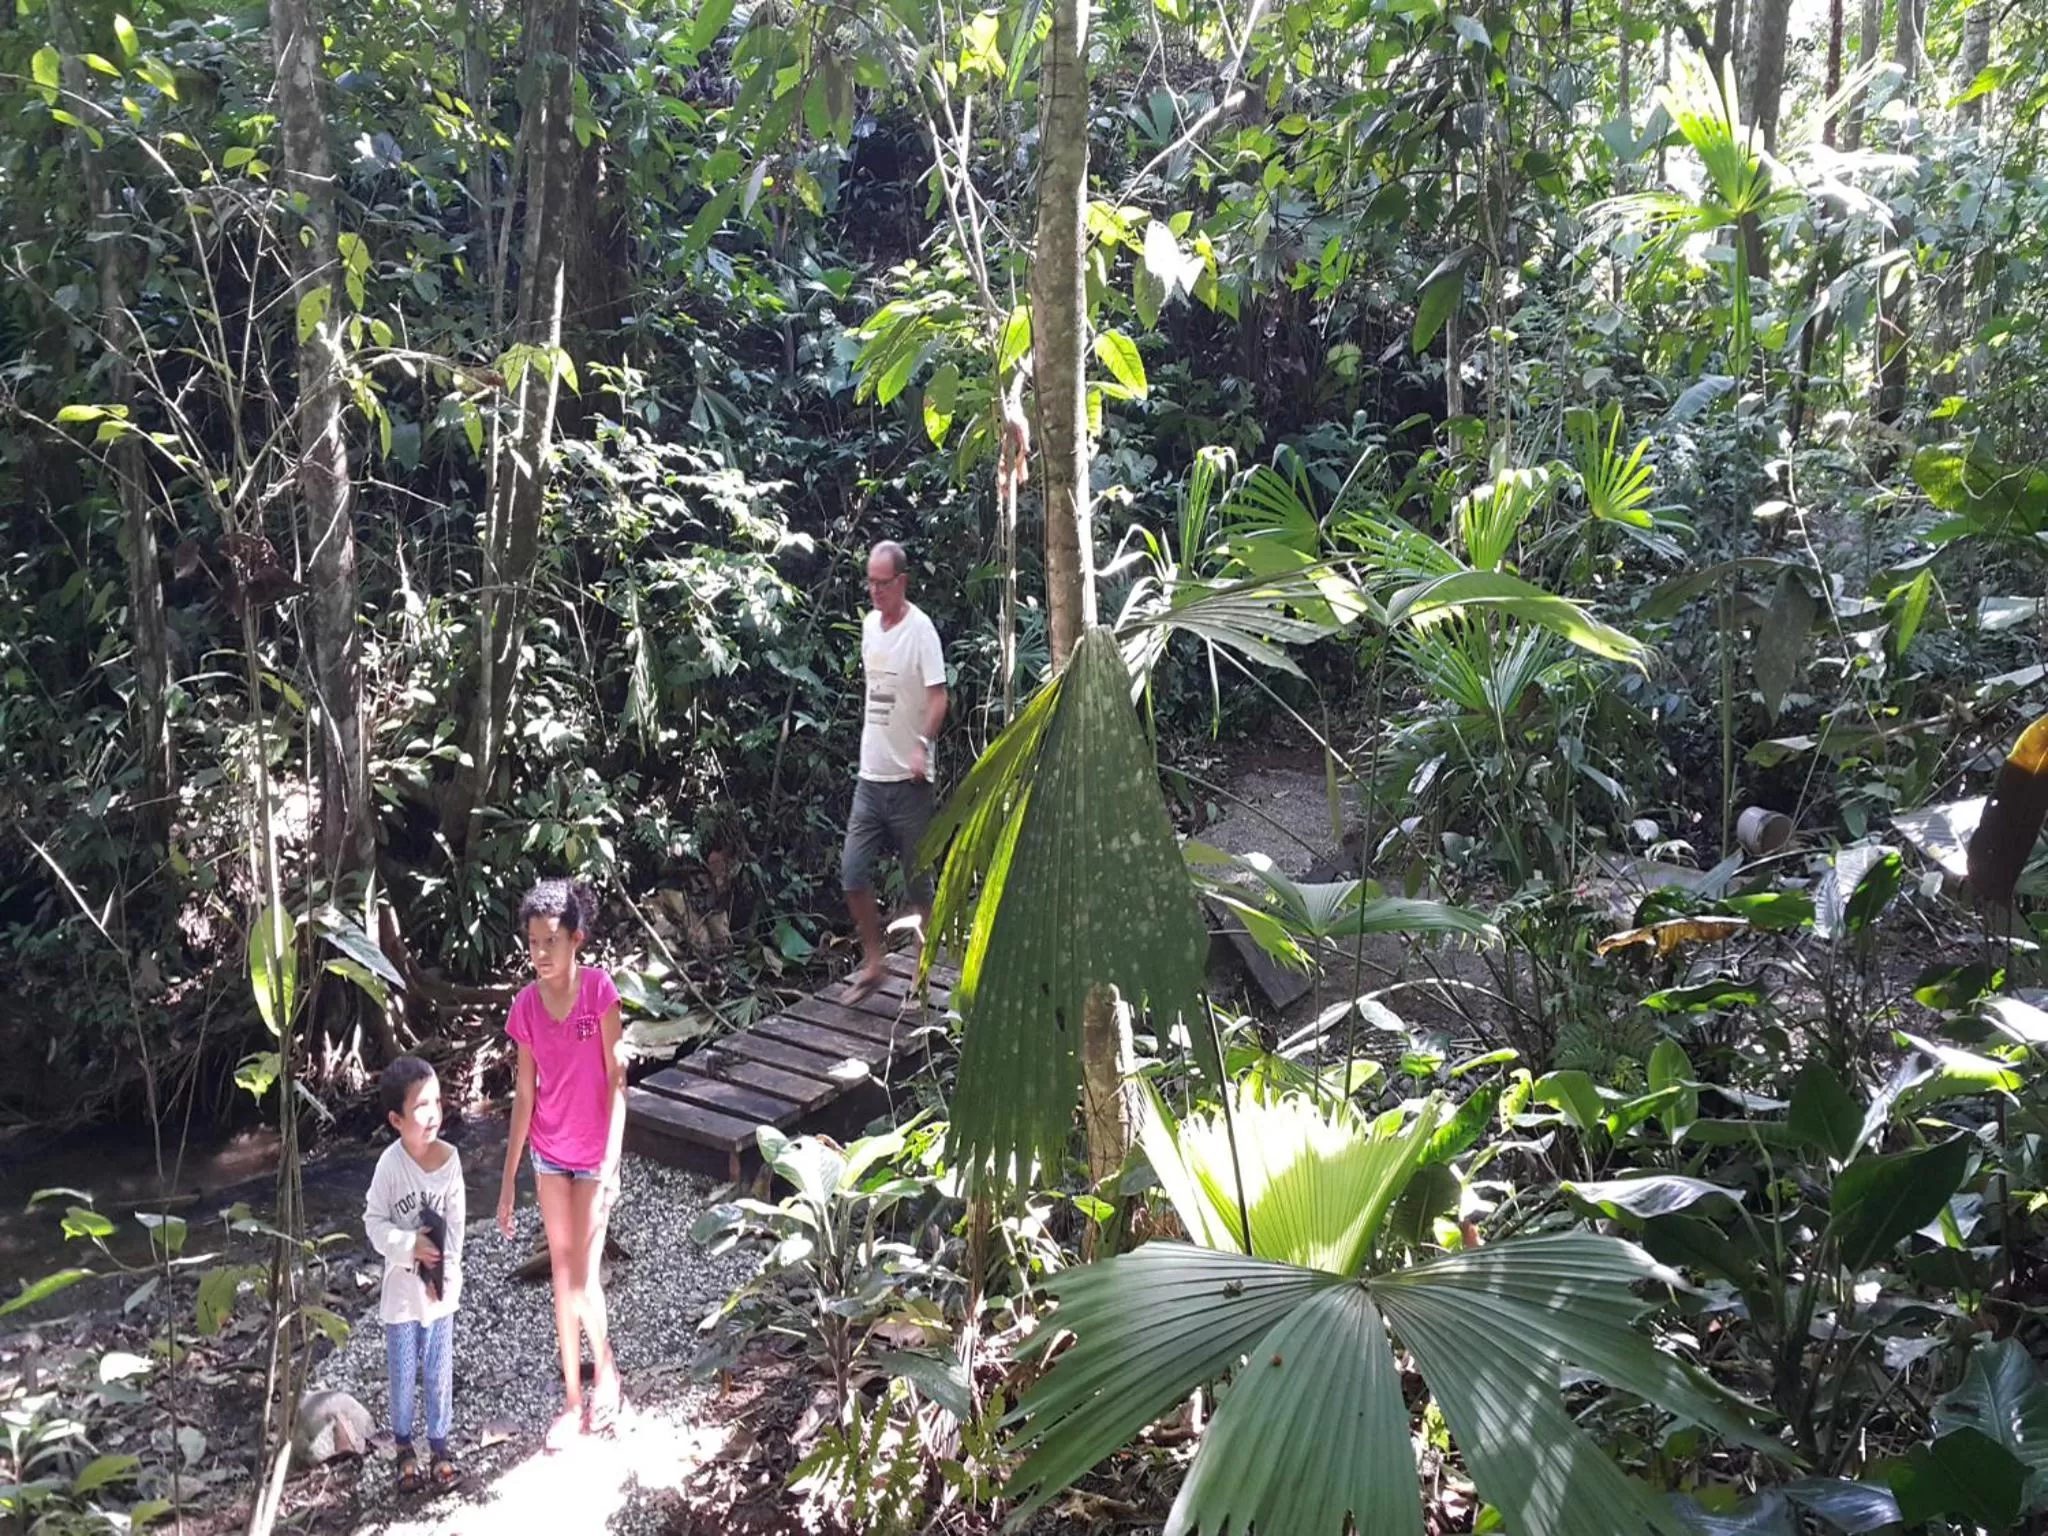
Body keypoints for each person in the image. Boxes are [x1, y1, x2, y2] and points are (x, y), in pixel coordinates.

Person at [494, 879, 628, 1450]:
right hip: (549, 1156)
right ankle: (574, 1400)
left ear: (578, 939)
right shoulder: (525, 1005)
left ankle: (610, 1379)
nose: (542, 954)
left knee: (583, 1279)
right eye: (533, 943)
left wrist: (613, 1163)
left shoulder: (599, 993)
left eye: (552, 941)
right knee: (561, 1277)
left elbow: (618, 1081)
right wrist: (506, 1184)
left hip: (593, 1158)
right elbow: (524, 1093)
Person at [843, 539, 948, 998]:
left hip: (910, 781)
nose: (874, 591)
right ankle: (874, 959)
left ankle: (924, 968)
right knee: (852, 873)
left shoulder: (922, 630)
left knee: (919, 882)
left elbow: (938, 695)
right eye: (870, 581)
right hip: (871, 776)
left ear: (902, 582)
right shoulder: (870, 626)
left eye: (882, 583)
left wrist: (922, 745)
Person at [364, 1055, 465, 1494]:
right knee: (404, 1372)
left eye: (436, 1102)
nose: (432, 1115)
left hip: (440, 1293)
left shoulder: (452, 1161)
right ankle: (405, 1445)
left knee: (439, 1369)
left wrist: (450, 1273)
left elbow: (457, 1225)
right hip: (402, 1295)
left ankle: (440, 1443)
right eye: (420, 1107)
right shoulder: (390, 1165)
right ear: (395, 1119)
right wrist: (408, 1247)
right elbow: (373, 1222)